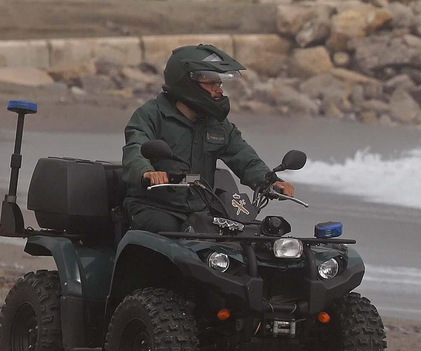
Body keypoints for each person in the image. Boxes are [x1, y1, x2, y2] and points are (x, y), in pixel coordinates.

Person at [120, 44, 295, 233]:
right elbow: (135, 148)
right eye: (211, 83)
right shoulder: (151, 114)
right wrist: (147, 172)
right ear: (186, 83)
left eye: (219, 84)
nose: (218, 90)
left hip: (200, 211)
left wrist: (269, 181)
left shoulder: (217, 124)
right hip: (154, 207)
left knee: (246, 237)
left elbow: (243, 156)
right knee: (167, 233)